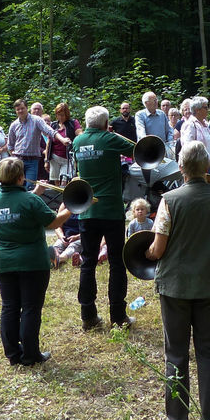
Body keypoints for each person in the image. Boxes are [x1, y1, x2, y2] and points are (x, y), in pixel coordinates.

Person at [144, 140, 210, 420]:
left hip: (177, 285)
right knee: (208, 353)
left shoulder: (169, 199)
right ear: (208, 166)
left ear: (180, 167)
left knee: (176, 355)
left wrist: (149, 254)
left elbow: (158, 247)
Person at [0, 156, 70, 365]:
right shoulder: (30, 200)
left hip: (4, 261)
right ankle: (31, 355)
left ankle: (13, 354)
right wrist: (72, 206)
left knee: (9, 307)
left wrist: (36, 193)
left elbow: (17, 208)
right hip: (31, 262)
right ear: (20, 177)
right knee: (30, 308)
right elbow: (53, 222)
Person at [70, 105, 138, 330]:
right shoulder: (109, 139)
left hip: (87, 210)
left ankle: (87, 315)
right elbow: (136, 150)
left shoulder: (77, 142)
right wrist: (112, 132)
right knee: (117, 262)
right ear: (105, 123)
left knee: (88, 261)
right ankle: (118, 316)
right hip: (110, 209)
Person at [8, 99, 64, 183]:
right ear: (15, 111)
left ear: (27, 108)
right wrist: (13, 157)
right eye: (18, 109)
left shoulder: (36, 120)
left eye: (22, 108)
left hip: (32, 160)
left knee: (30, 185)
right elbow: (10, 145)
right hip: (18, 160)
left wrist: (62, 139)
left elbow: (50, 131)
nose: (20, 111)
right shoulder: (14, 125)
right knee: (18, 186)